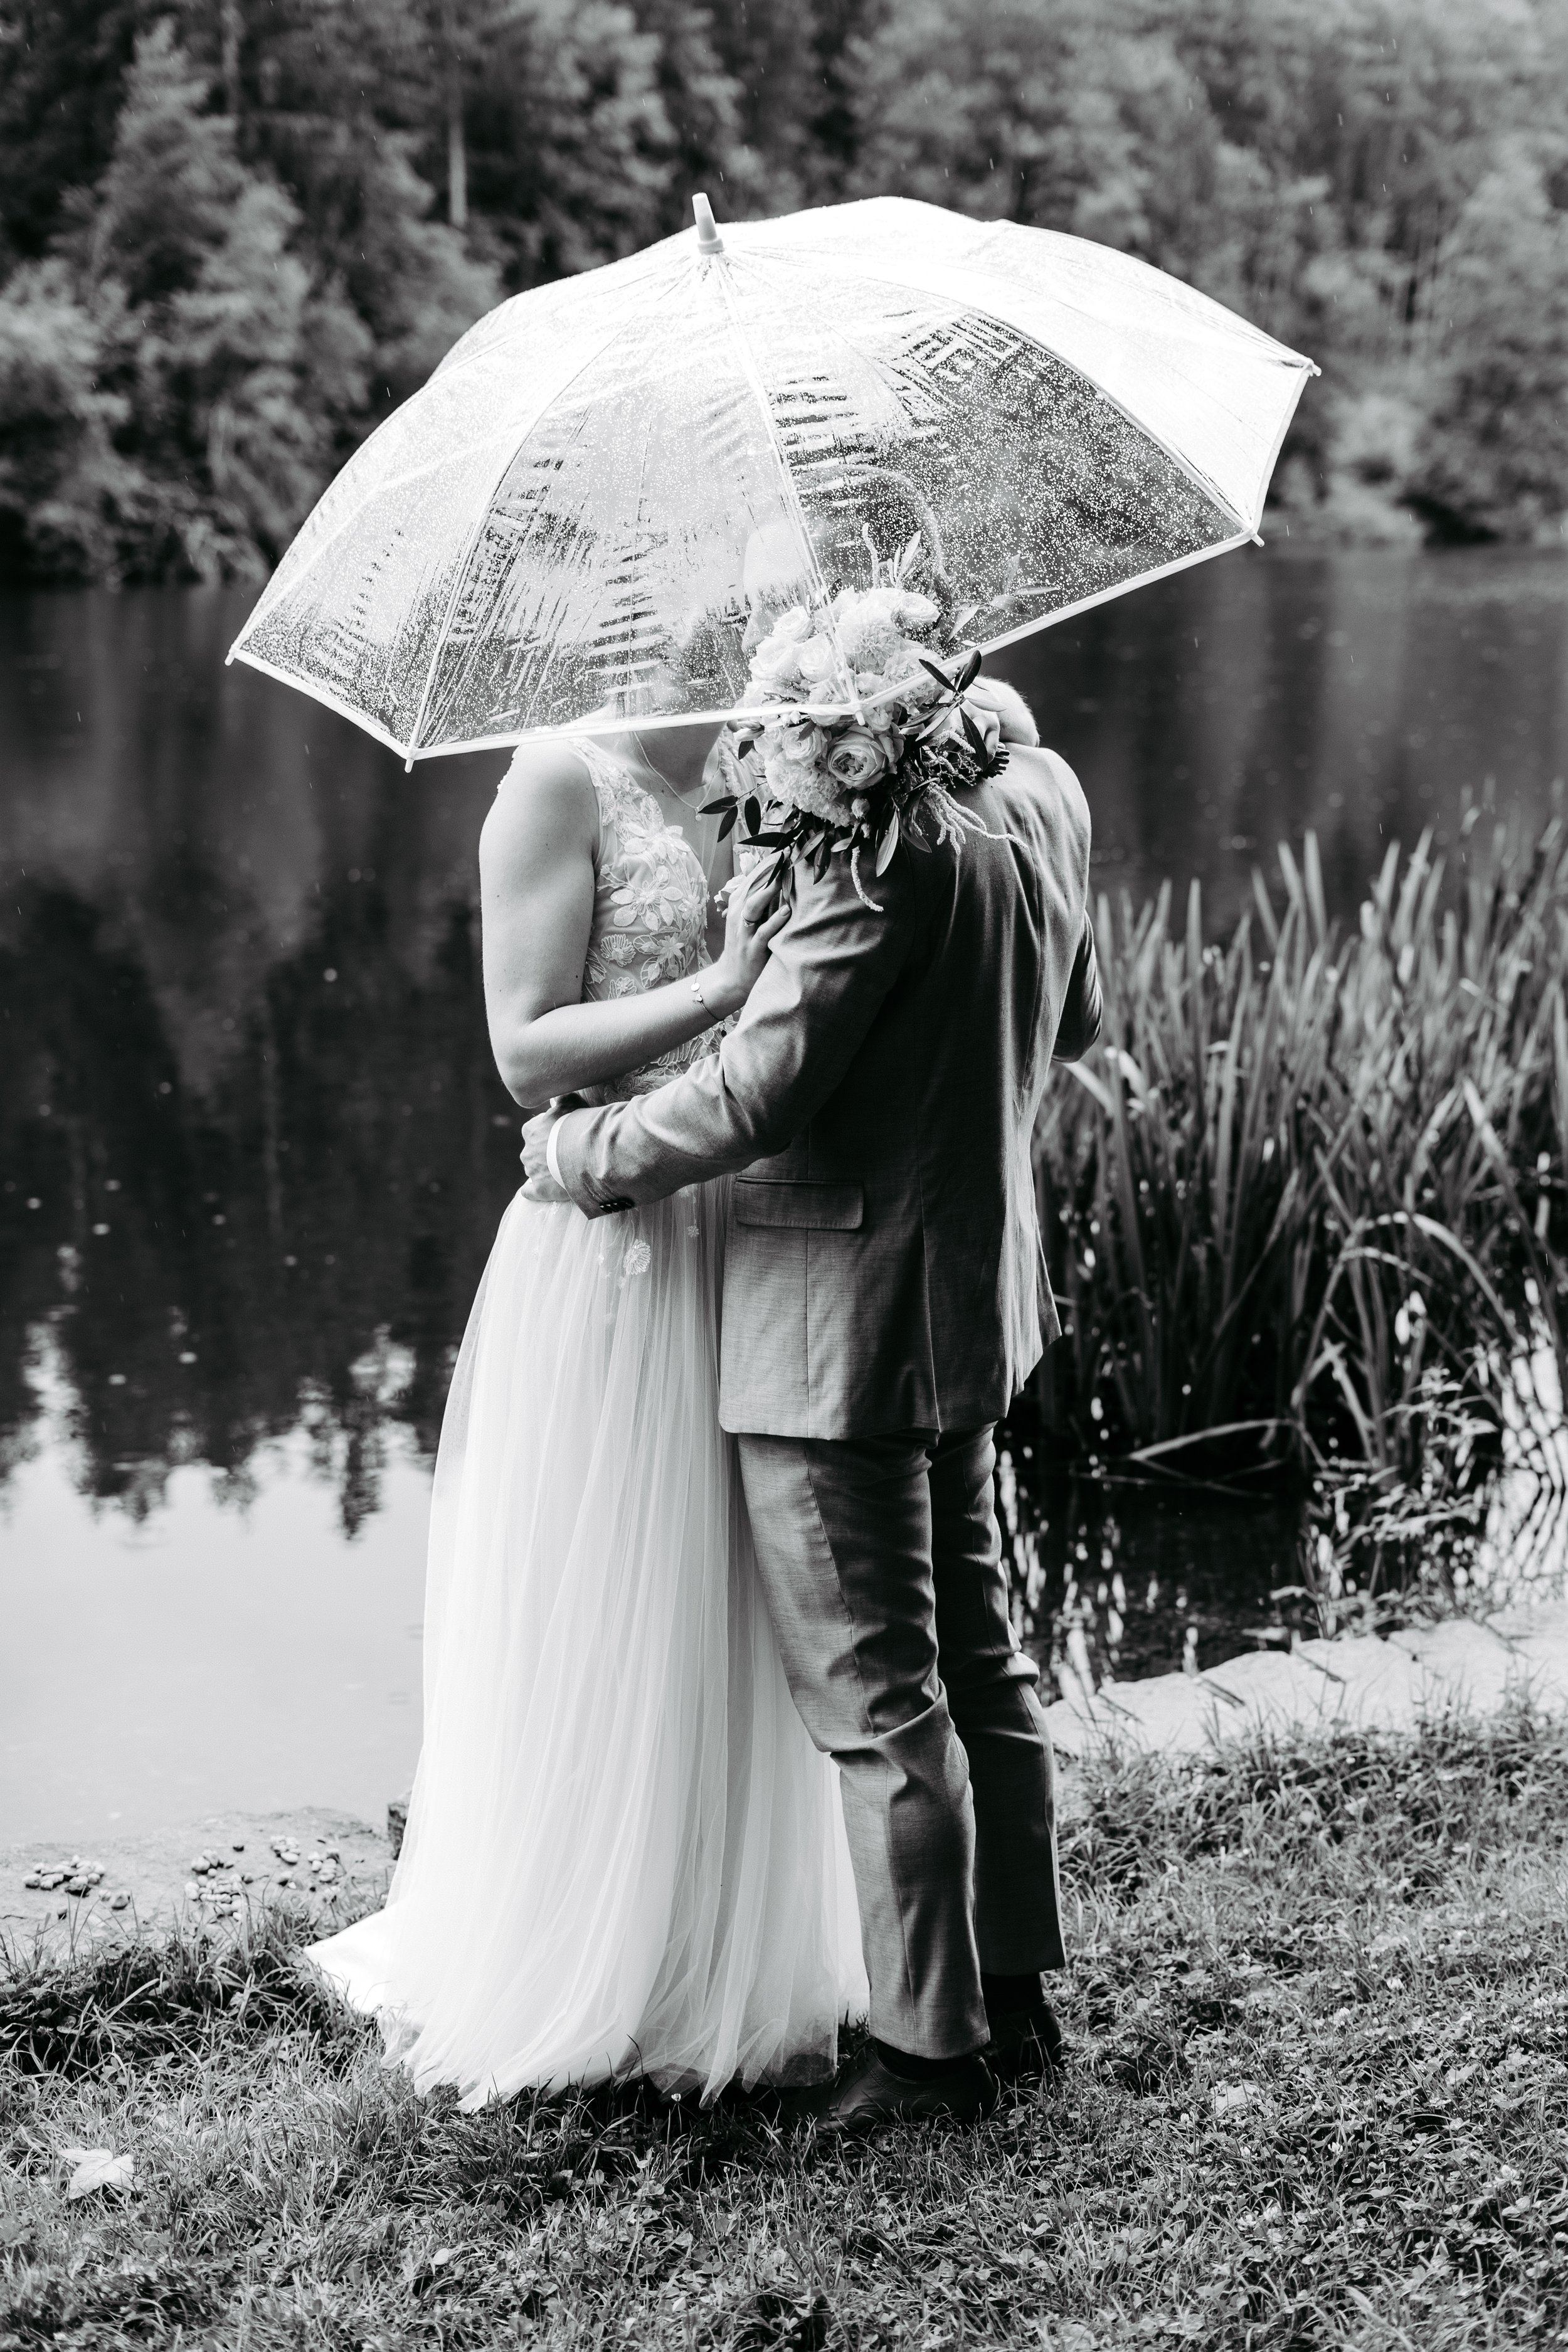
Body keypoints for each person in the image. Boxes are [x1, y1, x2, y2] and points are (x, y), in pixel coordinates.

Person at [522, 675, 1103, 2130]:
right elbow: (1075, 1020)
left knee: (873, 1702)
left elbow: (758, 1092)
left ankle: (922, 2057)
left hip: (830, 1317)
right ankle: (1014, 1991)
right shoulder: (1041, 795)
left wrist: (580, 1154)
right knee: (983, 1658)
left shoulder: (864, 834)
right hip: (970, 1289)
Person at [305, 721, 867, 2106]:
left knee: (732, 1598)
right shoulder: (557, 780)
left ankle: (721, 1948)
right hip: (606, 1233)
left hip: (743, 1223)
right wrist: (725, 983)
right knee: (607, 1591)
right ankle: (587, 1957)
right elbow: (523, 1052)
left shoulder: (773, 764)